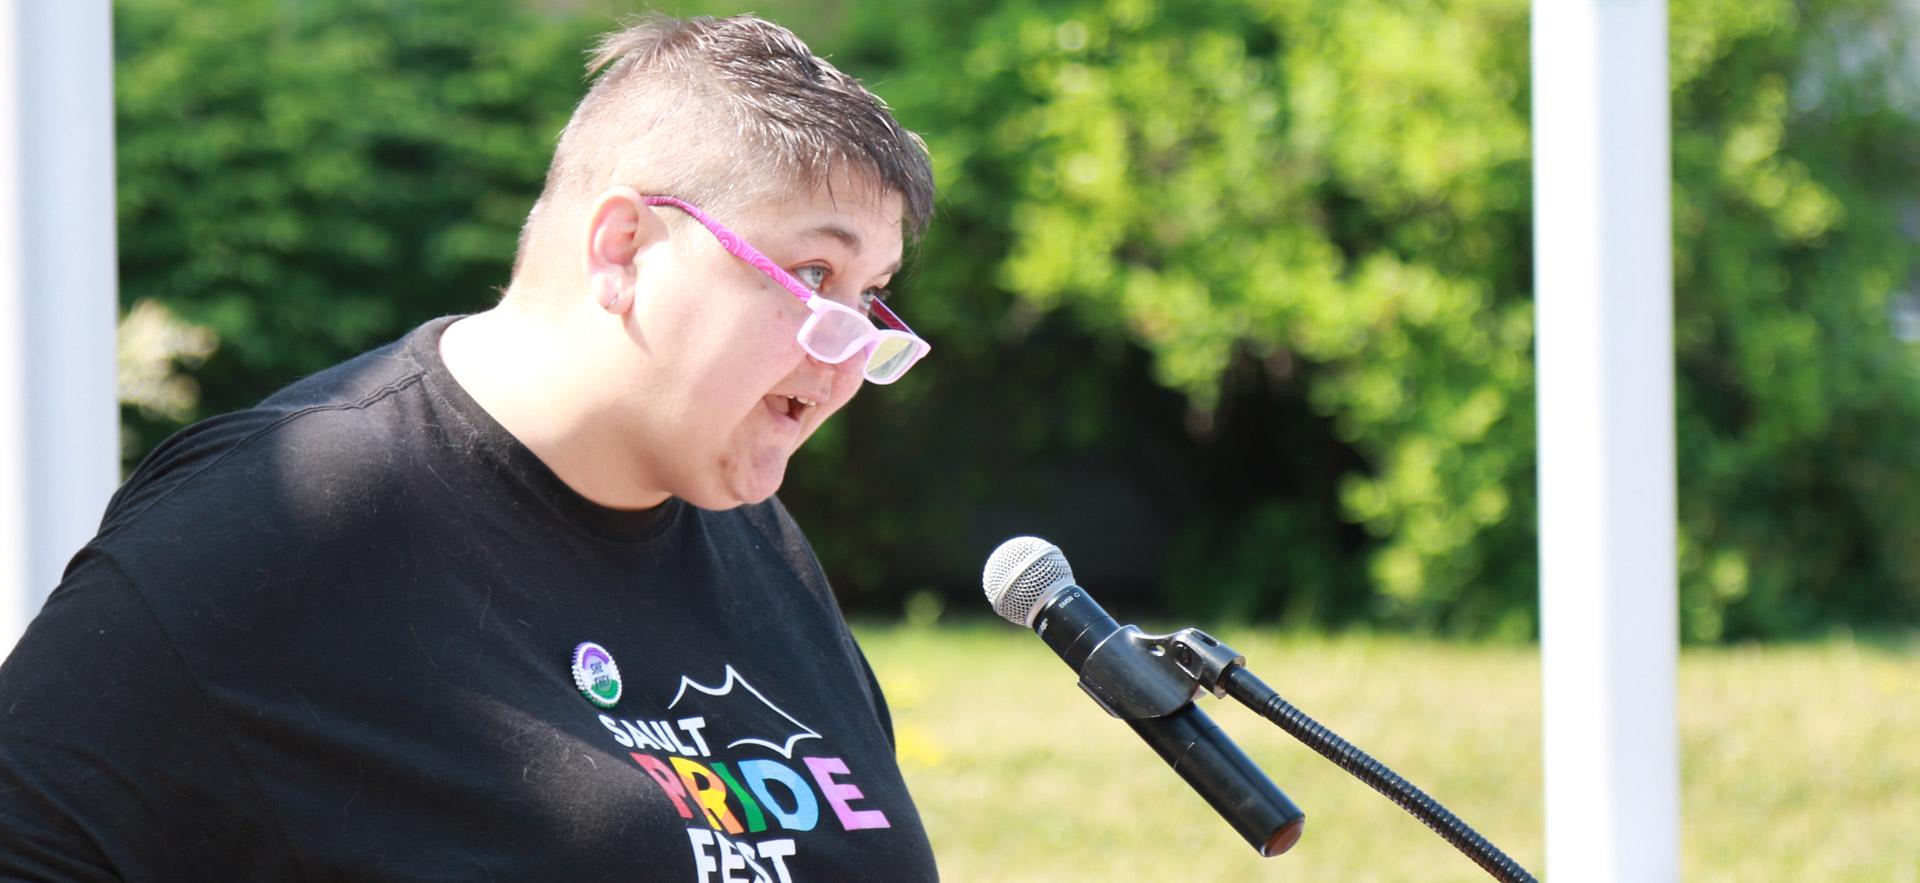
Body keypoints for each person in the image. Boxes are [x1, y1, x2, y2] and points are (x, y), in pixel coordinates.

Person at [0, 13, 940, 882]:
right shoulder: (280, 513)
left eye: (869, 298)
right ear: (622, 247)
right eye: (814, 274)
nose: (850, 351)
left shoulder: (760, 544)